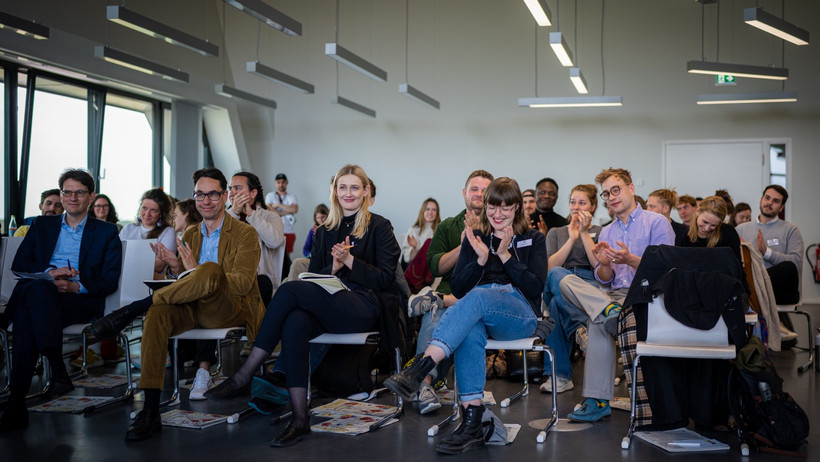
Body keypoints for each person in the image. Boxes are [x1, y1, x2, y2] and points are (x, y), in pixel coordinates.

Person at [206, 164, 399, 448]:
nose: (348, 193)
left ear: (366, 191)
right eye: (342, 187)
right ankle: (299, 419)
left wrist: (350, 263)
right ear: (334, 191)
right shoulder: (324, 231)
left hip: (364, 305)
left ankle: (246, 373)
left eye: (354, 187)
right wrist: (333, 269)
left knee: (290, 289)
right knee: (296, 321)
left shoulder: (380, 226)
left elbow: (385, 279)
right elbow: (317, 279)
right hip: (329, 302)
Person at [92, 167, 264, 441]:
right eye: (199, 194)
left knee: (209, 270)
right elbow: (186, 282)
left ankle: (133, 309)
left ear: (224, 196)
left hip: (228, 309)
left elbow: (242, 284)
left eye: (212, 194)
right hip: (193, 308)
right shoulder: (192, 233)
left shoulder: (245, 234)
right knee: (159, 312)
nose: (205, 201)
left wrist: (198, 271)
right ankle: (150, 410)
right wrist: (175, 270)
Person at [385, 177, 546, 455]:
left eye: (506, 208)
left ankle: (421, 367)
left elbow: (535, 288)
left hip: (520, 314)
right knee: (470, 327)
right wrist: (480, 260)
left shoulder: (533, 239)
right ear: (485, 207)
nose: (498, 214)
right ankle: (472, 422)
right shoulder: (476, 239)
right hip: (481, 312)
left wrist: (505, 255)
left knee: (480, 296)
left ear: (517, 207)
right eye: (493, 207)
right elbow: (458, 286)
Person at [0, 169, 122, 433]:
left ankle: (18, 403)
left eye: (79, 192)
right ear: (61, 194)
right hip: (43, 297)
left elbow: (109, 281)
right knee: (35, 299)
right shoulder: (41, 225)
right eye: (67, 192)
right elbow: (20, 265)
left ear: (91, 197)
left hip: (78, 300)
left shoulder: (107, 232)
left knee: (28, 302)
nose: (72, 197)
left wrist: (75, 285)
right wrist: (50, 274)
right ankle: (53, 373)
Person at [557, 167, 674, 422]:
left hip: (648, 294)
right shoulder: (607, 231)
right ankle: (609, 311)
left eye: (616, 190)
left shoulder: (656, 222)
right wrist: (605, 265)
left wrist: (631, 260)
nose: (611, 197)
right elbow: (604, 279)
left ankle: (598, 401)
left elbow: (667, 270)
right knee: (563, 280)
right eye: (607, 194)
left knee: (597, 319)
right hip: (614, 296)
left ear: (631, 188)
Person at [408, 170, 493, 415]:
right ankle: (424, 386)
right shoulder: (448, 225)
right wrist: (465, 242)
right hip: (450, 293)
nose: (479, 194)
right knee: (431, 316)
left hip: (484, 298)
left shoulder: (499, 223)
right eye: (474, 189)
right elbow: (435, 265)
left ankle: (459, 393)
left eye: (484, 190)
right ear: (465, 193)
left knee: (449, 312)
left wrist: (479, 235)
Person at [540, 184, 602, 394]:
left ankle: (561, 376)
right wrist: (572, 237)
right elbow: (549, 268)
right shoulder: (556, 232)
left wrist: (584, 234)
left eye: (582, 203)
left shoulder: (601, 232)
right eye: (573, 202)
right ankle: (578, 328)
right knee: (556, 275)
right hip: (558, 279)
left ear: (592, 206)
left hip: (587, 283)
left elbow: (598, 266)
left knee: (558, 305)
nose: (576, 207)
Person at [736, 185, 803, 305]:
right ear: (761, 200)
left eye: (775, 201)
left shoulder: (791, 229)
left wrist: (767, 252)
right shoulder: (741, 229)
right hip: (749, 284)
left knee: (788, 267)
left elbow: (796, 263)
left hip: (779, 292)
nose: (769, 203)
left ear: (781, 207)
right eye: (767, 198)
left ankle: (753, 290)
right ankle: (752, 290)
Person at [119, 188, 177, 279]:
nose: (147, 214)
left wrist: (126, 264)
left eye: (153, 210)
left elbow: (158, 266)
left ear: (161, 214)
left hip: (152, 285)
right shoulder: (128, 228)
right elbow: (116, 256)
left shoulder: (168, 232)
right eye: (144, 208)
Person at [679, 195, 741, 261]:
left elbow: (736, 266)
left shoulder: (728, 233)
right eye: (705, 222)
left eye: (713, 225)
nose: (707, 228)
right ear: (698, 212)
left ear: (720, 222)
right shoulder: (686, 235)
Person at [265, 173, 298, 276]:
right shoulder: (270, 196)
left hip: (289, 230)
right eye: (278, 182)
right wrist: (286, 210)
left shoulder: (291, 196)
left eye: (283, 182)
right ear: (275, 183)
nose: (281, 184)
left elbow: (294, 209)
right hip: (274, 231)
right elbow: (270, 211)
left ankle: (287, 278)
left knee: (287, 258)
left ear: (286, 183)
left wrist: (278, 205)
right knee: (274, 258)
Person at [401, 198, 440, 266]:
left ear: (437, 213)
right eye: (427, 209)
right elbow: (405, 259)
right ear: (422, 211)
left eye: (434, 210)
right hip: (415, 270)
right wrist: (415, 248)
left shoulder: (440, 231)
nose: (430, 212)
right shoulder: (413, 231)